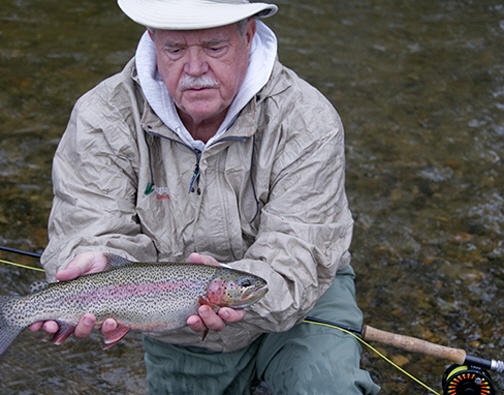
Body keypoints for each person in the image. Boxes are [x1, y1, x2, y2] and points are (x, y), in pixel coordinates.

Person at [31, 0, 380, 394]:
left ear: (248, 35)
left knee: (325, 387)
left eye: (214, 48)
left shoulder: (307, 119)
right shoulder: (102, 116)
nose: (194, 69)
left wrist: (232, 296)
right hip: (172, 316)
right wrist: (94, 257)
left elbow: (298, 259)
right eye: (175, 50)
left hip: (304, 300)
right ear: (152, 38)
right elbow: (87, 224)